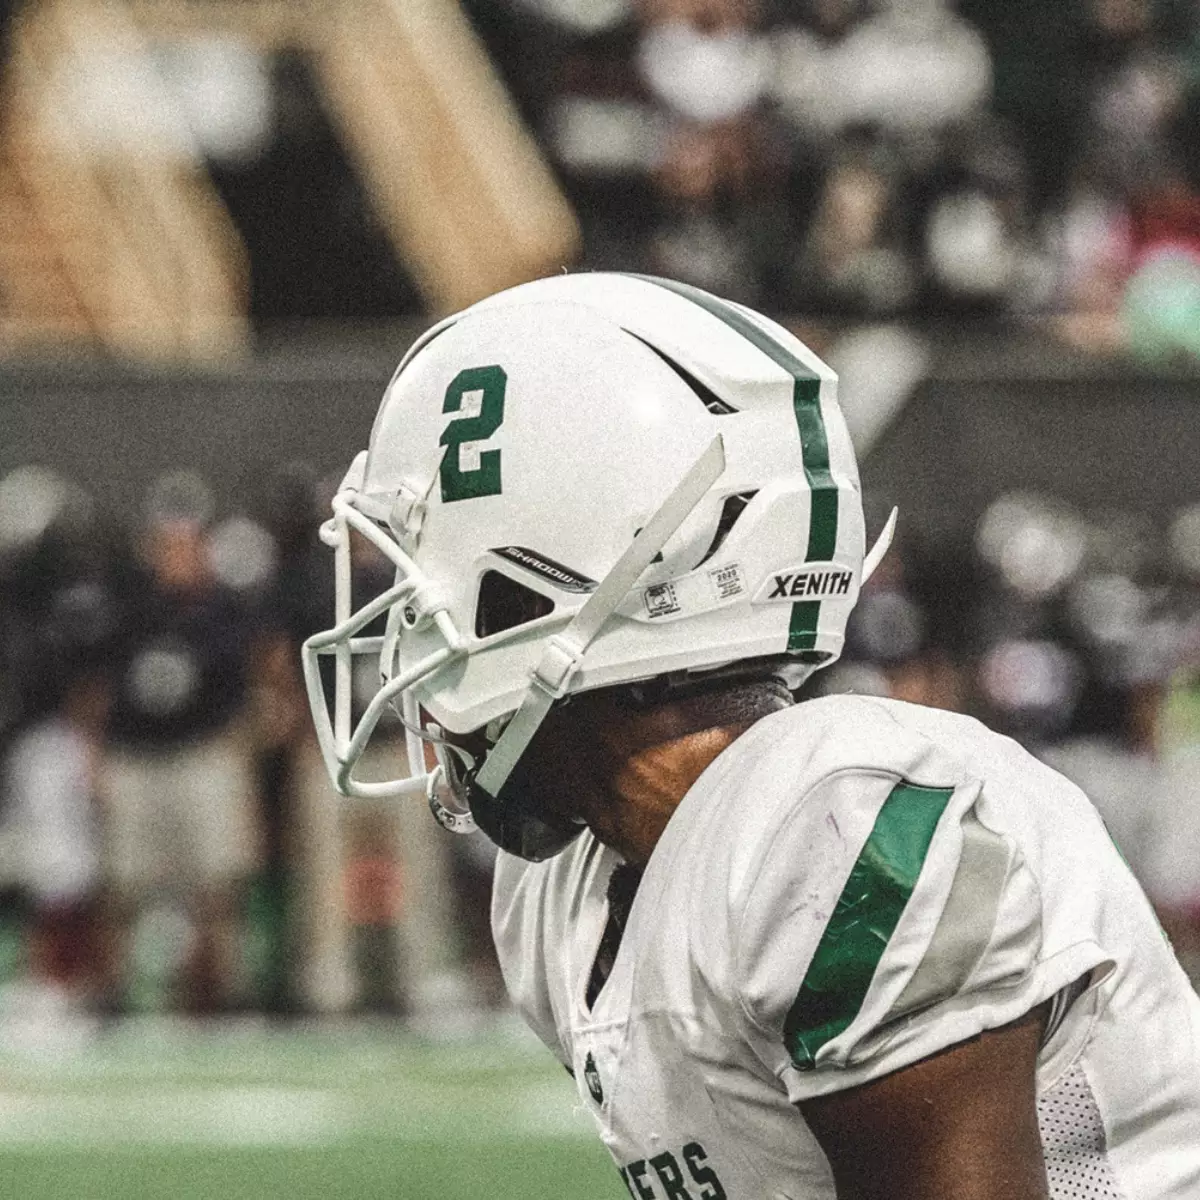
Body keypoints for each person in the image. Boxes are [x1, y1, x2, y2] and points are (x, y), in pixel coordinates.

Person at [302, 272, 1200, 1198]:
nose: (405, 636)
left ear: (551, 589)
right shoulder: (562, 890)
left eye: (424, 591)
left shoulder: (837, 831)